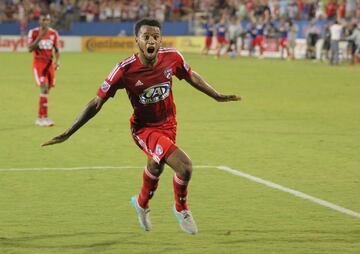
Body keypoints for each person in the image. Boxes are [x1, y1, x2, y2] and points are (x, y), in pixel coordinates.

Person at [42, 18, 241, 235]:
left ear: (160, 39)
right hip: (144, 129)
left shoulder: (172, 57)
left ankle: (141, 203)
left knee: (156, 167)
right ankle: (181, 208)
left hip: (169, 124)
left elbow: (191, 75)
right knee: (184, 166)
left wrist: (216, 96)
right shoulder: (124, 70)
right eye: (146, 36)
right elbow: (97, 101)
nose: (151, 40)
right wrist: (69, 132)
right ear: (137, 40)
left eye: (155, 36)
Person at [28, 12, 60, 127]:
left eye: (47, 20)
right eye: (43, 20)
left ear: (49, 21)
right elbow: (29, 49)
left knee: (46, 91)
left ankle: (41, 117)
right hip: (39, 65)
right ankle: (42, 117)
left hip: (49, 66)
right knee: (44, 88)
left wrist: (58, 62)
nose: (45, 22)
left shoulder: (54, 33)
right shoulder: (33, 32)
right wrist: (40, 36)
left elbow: (56, 49)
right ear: (39, 21)